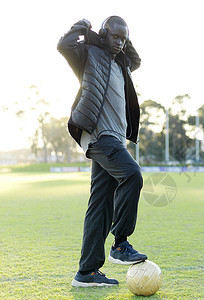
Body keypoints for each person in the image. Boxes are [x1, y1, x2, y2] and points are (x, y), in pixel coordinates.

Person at [57, 16, 147, 287]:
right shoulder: (89, 55)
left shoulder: (123, 64)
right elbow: (64, 45)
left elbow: (136, 59)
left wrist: (121, 38)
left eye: (124, 38)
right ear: (104, 33)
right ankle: (120, 243)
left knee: (100, 206)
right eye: (115, 36)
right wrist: (85, 29)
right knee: (133, 175)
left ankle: (87, 272)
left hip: (116, 140)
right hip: (99, 136)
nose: (120, 43)